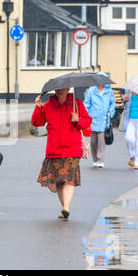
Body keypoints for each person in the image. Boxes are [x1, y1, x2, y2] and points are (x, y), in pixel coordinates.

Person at [32, 89, 92, 220]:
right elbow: (37, 122)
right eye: (57, 89)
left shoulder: (76, 104)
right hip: (54, 150)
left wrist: (78, 120)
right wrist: (38, 108)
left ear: (68, 89)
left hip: (72, 149)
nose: (59, 91)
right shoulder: (48, 105)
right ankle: (65, 207)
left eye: (62, 89)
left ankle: (66, 208)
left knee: (69, 180)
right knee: (59, 182)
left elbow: (87, 121)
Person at [83, 84, 116, 168]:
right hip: (93, 118)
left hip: (104, 119)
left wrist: (111, 113)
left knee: (102, 141)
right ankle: (95, 159)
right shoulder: (91, 91)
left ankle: (100, 160)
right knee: (93, 141)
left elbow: (112, 104)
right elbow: (86, 103)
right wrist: (85, 114)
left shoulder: (109, 92)